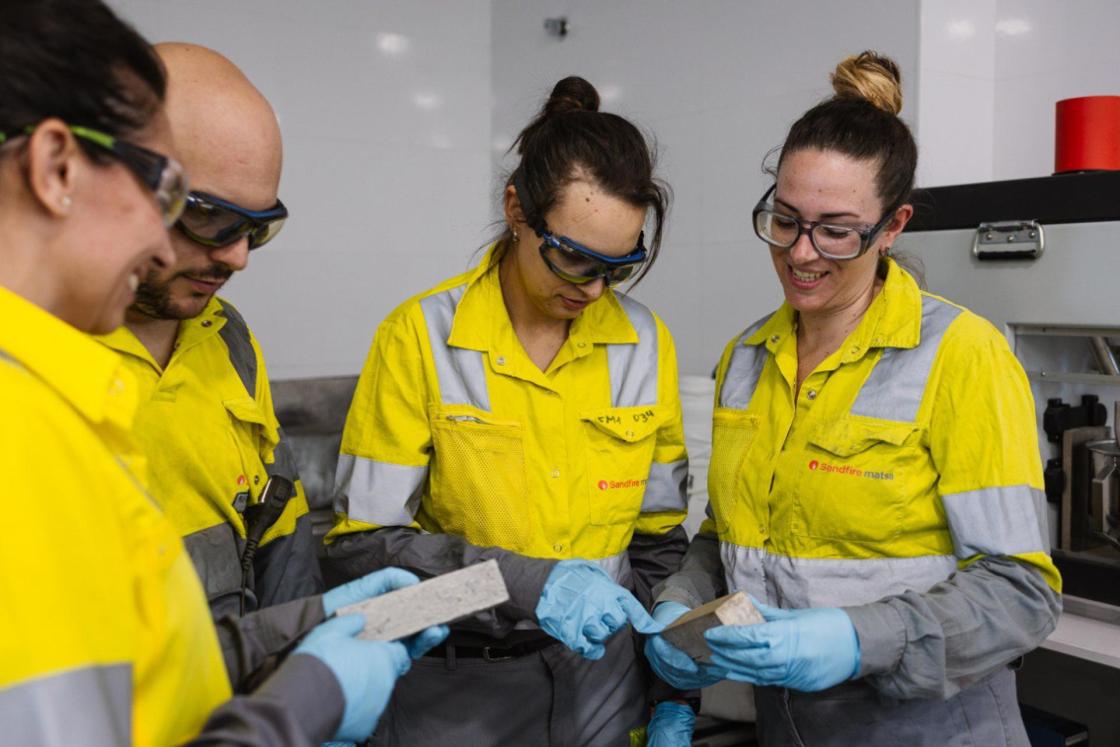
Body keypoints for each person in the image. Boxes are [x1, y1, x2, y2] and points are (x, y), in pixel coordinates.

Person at [0, 2, 443, 744]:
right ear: (54, 167)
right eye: (169, 195)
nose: (235, 257)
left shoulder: (83, 390)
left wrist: (304, 630)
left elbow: (138, 666)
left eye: (258, 229)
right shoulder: (25, 426)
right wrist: (303, 706)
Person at [645, 51, 1062, 746]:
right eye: (784, 219)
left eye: (836, 230)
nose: (801, 253)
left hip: (928, 727)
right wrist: (680, 605)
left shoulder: (962, 355)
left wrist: (859, 636)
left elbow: (1021, 591)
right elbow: (731, 539)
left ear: (892, 227)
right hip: (788, 727)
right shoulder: (746, 357)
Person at [324, 76, 692, 745]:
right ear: (517, 208)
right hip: (457, 686)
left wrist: (673, 691)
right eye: (574, 257)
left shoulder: (645, 344)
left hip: (602, 689)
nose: (594, 287)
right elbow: (360, 555)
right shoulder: (423, 337)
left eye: (621, 264)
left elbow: (659, 546)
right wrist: (522, 585)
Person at [96, 42, 321, 622]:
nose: (237, 257)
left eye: (256, 228)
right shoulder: (32, 352)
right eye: (210, 216)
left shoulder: (226, 336)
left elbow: (281, 537)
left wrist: (303, 660)